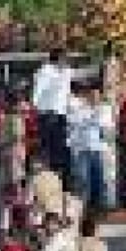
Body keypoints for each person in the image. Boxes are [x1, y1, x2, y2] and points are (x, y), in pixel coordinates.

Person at [32, 49, 74, 182]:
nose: (66, 62)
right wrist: (35, 107)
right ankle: (48, 179)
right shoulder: (46, 71)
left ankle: (59, 179)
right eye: (64, 59)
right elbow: (37, 91)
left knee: (61, 150)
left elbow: (78, 73)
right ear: (57, 60)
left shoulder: (66, 72)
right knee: (50, 149)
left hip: (61, 115)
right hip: (49, 114)